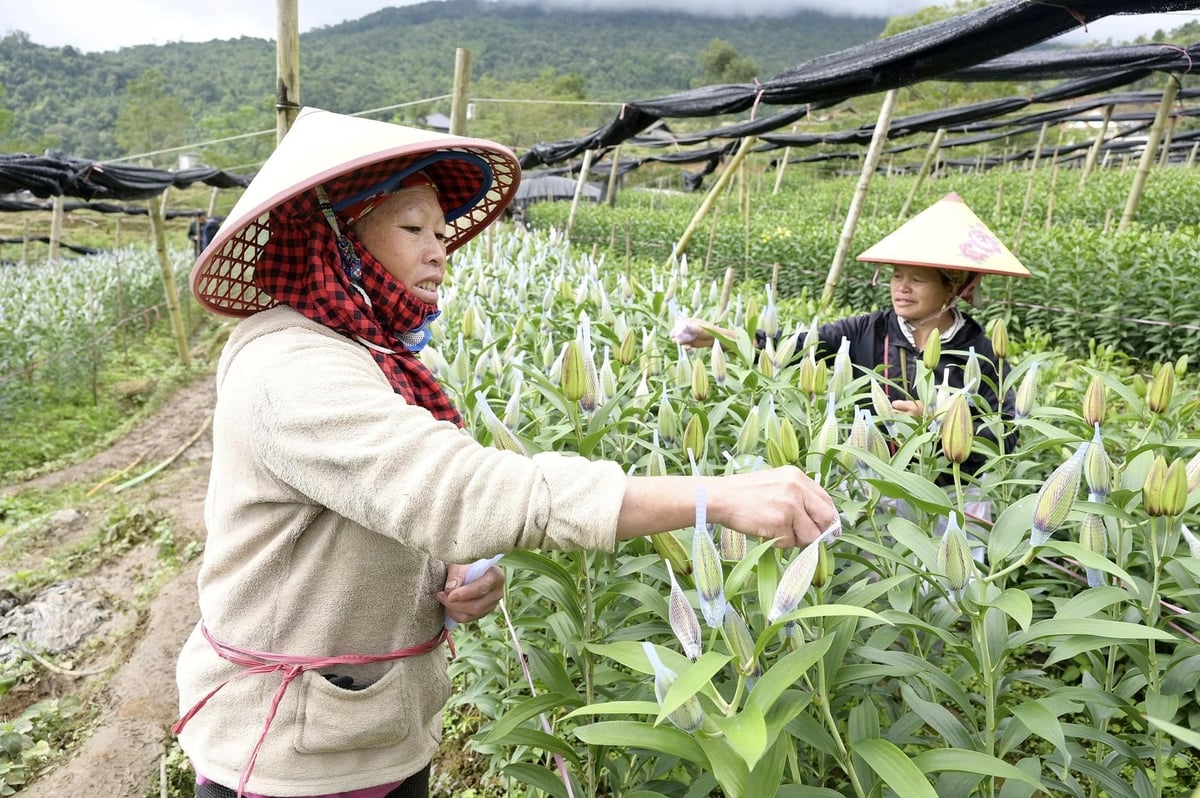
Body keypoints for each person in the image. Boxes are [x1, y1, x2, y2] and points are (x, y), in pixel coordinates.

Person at [176, 107, 837, 798]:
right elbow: (453, 492)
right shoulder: (292, 369)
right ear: (335, 233)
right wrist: (712, 497)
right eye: (412, 229)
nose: (439, 251)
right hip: (288, 757)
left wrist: (446, 567)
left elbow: (388, 497)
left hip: (366, 727)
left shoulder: (362, 348)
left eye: (441, 233)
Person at [670, 192, 1030, 478]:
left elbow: (1005, 433)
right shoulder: (865, 330)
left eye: (917, 279)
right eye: (896, 276)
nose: (901, 289)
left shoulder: (980, 350)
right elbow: (790, 347)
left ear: (954, 288)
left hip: (953, 493)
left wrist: (940, 420)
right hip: (873, 482)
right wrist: (719, 336)